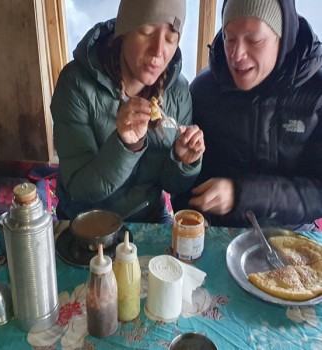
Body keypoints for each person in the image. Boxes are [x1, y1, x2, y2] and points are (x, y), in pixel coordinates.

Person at [50, 0, 205, 222]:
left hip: (151, 218)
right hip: (87, 220)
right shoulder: (75, 84)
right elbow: (80, 189)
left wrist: (183, 161)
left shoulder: (177, 90)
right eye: (147, 31)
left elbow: (172, 185)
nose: (158, 51)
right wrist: (126, 145)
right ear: (123, 31)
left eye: (170, 39)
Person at [174, 0, 322, 230]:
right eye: (229, 38)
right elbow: (186, 187)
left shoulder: (316, 93)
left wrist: (242, 194)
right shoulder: (204, 90)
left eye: (254, 40)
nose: (236, 54)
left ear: (282, 38)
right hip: (219, 230)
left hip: (291, 233)